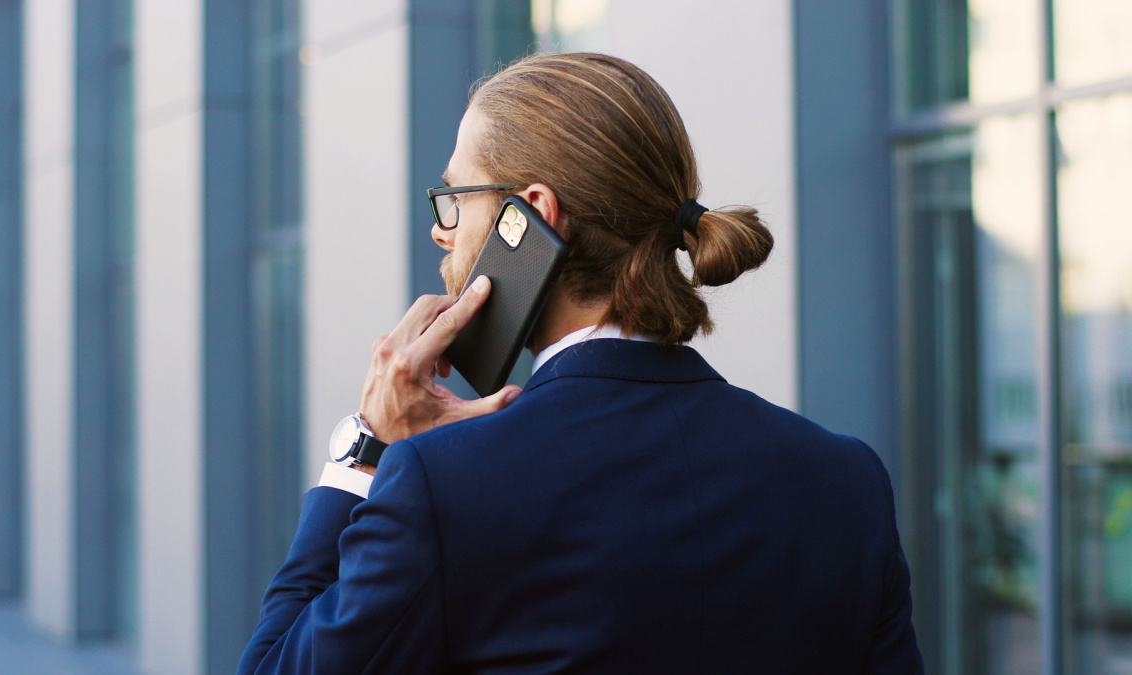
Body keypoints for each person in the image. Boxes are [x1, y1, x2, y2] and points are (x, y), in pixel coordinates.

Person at [237, 52, 923, 674]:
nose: (440, 231)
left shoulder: (440, 488)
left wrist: (364, 449)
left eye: (455, 198)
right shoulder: (846, 482)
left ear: (530, 213)